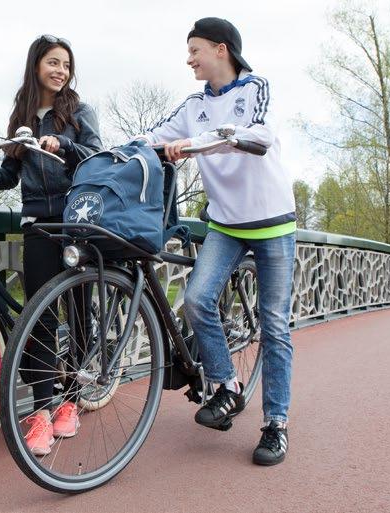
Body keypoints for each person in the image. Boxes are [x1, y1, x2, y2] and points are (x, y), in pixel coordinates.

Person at [135, 17, 296, 466]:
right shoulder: (192, 105)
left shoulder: (254, 88)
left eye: (195, 50)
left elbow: (257, 136)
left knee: (275, 327)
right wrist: (122, 151)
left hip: (273, 225)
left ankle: (276, 425)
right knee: (197, 300)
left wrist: (194, 144)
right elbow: (152, 136)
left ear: (220, 49)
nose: (189, 59)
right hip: (225, 225)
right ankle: (228, 385)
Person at [0, 34, 103, 457]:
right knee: (40, 317)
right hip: (36, 222)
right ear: (36, 65)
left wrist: (64, 144)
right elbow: (10, 173)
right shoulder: (23, 114)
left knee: (79, 308)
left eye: (66, 65)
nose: (60, 71)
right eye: (53, 62)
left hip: (76, 219)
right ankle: (41, 409)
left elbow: (96, 156)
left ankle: (70, 399)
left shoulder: (78, 111)